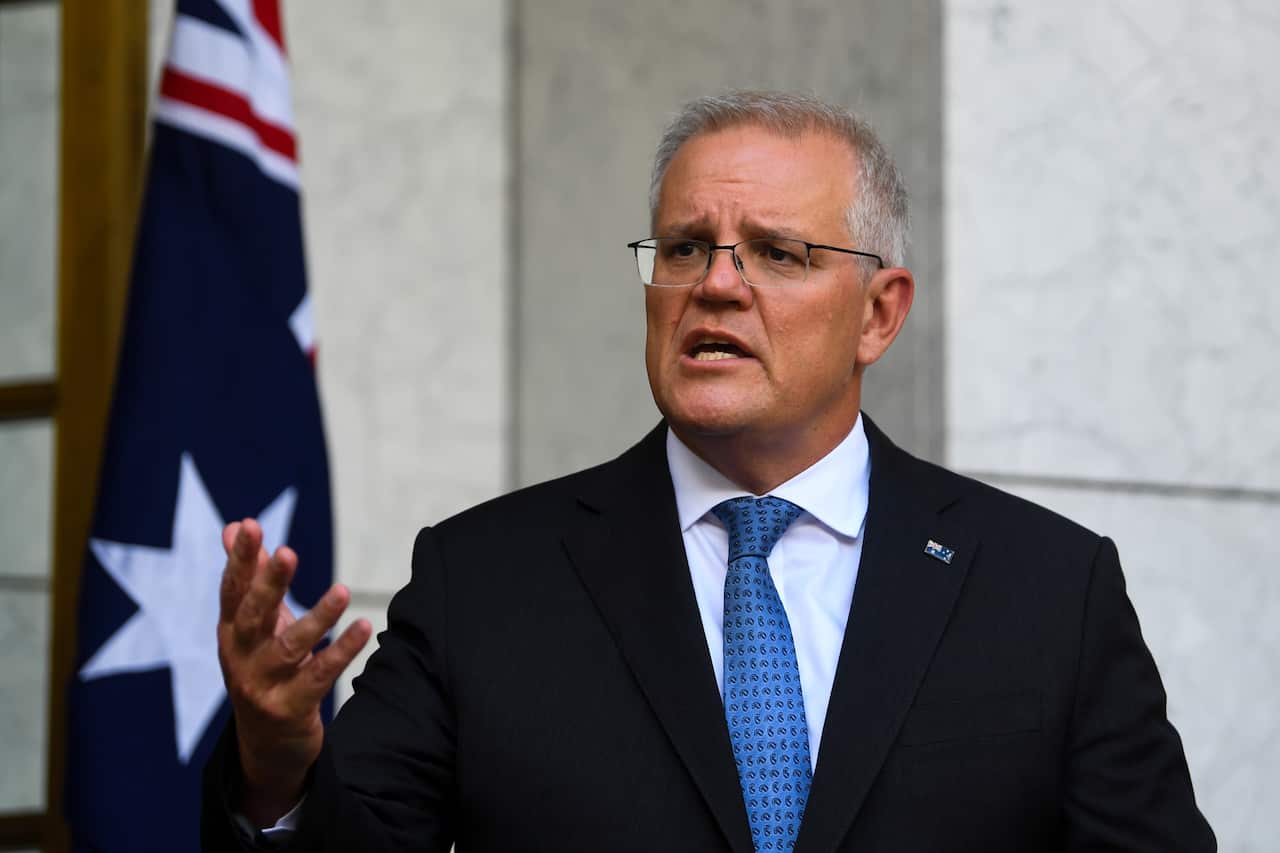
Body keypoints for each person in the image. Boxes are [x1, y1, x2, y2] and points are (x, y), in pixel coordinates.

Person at [203, 91, 1216, 852]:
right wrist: (280, 763)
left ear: (877, 312)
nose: (717, 285)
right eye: (686, 248)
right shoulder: (486, 581)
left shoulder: (1044, 588)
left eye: (776, 254)